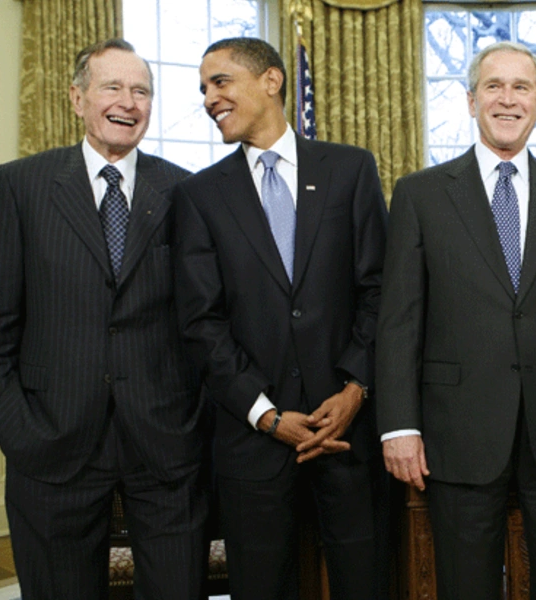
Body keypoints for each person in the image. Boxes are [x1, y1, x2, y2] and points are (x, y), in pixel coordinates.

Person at [376, 41, 536, 599]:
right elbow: (398, 321)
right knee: (465, 585)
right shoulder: (420, 195)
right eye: (494, 86)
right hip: (457, 428)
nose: (507, 99)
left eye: (522, 88)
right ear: (471, 101)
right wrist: (399, 424)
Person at [0, 39, 206, 600]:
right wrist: (19, 432)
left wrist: (194, 422)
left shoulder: (187, 192)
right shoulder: (20, 185)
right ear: (78, 99)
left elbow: (206, 320)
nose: (128, 101)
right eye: (112, 87)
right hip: (50, 446)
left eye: (141, 90)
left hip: (166, 445)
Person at [173, 37, 388, 600]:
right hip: (254, 444)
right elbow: (201, 322)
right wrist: (267, 416)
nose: (208, 98)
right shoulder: (198, 196)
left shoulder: (349, 169)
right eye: (202, 89)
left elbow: (379, 291)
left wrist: (355, 390)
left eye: (219, 82)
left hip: (347, 433)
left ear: (271, 80)